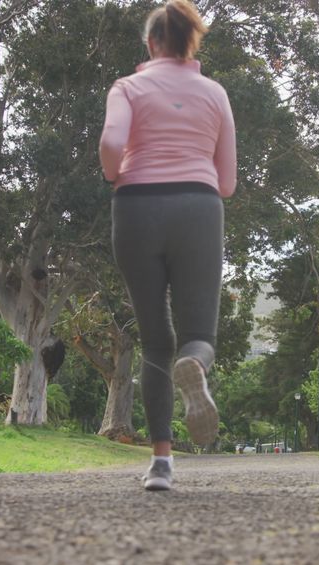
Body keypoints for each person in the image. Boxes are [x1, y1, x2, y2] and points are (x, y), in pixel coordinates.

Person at [99, 0, 236, 491]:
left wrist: (117, 174)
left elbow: (113, 142)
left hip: (135, 207)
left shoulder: (128, 87)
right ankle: (195, 366)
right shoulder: (215, 93)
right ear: (190, 42)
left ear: (152, 43)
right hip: (198, 207)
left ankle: (161, 463)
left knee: (155, 339)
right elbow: (228, 181)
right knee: (198, 334)